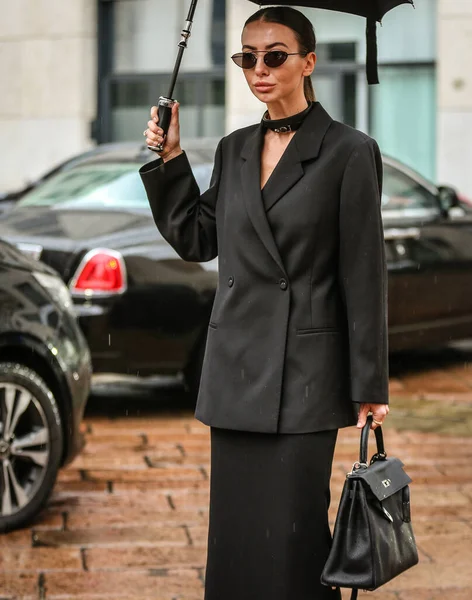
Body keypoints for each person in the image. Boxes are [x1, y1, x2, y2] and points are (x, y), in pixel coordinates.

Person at [140, 6, 389, 600]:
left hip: (304, 379)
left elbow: (364, 273)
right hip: (235, 374)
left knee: (293, 544)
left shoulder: (349, 151)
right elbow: (200, 238)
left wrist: (370, 384)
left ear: (309, 62)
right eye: (246, 57)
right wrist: (172, 159)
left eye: (274, 56)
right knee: (237, 544)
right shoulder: (235, 148)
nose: (259, 68)